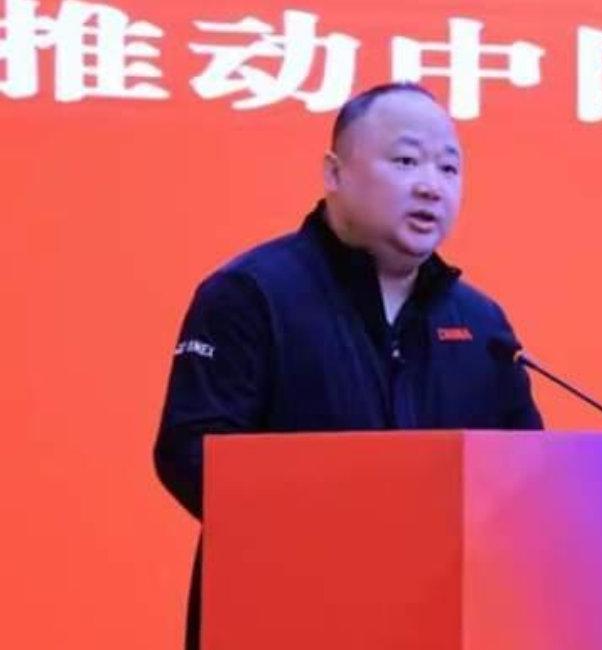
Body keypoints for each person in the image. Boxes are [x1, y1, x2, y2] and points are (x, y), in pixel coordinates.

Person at [154, 82, 543, 649]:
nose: (431, 186)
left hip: (438, 622)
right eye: (406, 161)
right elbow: (190, 452)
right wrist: (339, 539)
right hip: (284, 618)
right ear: (334, 173)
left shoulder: (482, 325)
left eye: (449, 168)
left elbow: (528, 477)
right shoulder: (252, 294)